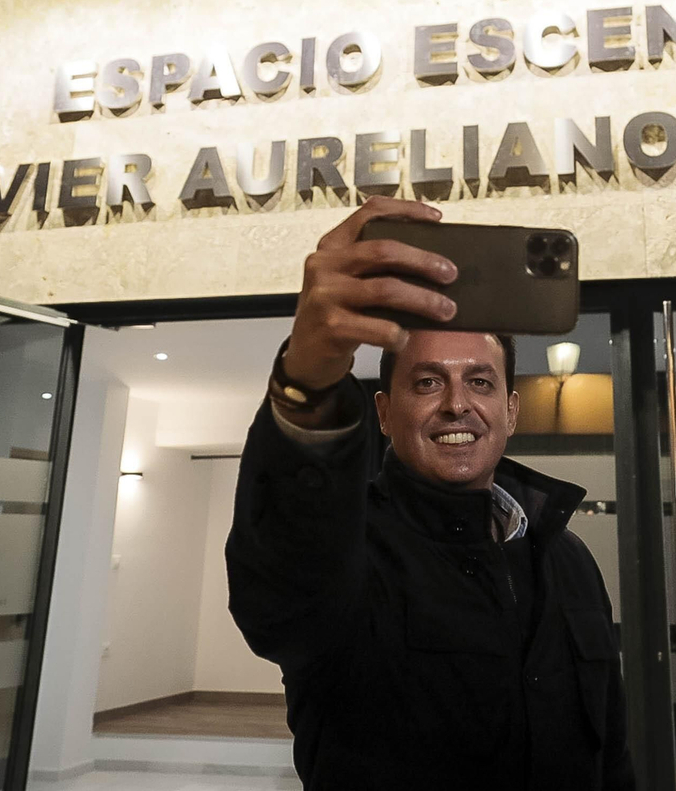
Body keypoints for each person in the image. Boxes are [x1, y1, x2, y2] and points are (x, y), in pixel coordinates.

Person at [226, 197, 636, 791]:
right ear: (385, 413)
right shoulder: (349, 550)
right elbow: (279, 606)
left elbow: (613, 753)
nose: (456, 403)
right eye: (426, 382)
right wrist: (306, 382)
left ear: (510, 411)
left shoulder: (568, 558)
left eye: (480, 381)